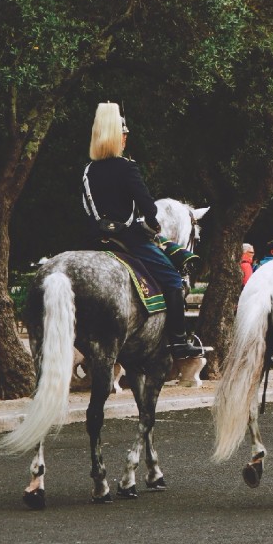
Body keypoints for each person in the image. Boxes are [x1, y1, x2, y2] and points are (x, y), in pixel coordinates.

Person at [81, 103, 202, 356]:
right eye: (123, 134)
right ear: (116, 137)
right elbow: (149, 207)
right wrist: (153, 225)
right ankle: (178, 341)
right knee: (172, 279)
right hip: (127, 239)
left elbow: (85, 206)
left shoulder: (88, 170)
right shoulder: (127, 167)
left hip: (94, 239)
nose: (126, 138)